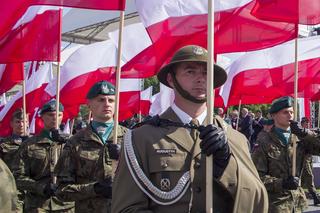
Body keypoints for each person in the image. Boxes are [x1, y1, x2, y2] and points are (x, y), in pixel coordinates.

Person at [112, 45, 268, 213]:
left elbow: (258, 202)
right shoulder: (141, 138)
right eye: (190, 72)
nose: (201, 79)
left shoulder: (235, 138)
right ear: (171, 80)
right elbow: (125, 208)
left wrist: (226, 164)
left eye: (206, 73)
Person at [55, 81, 127, 213]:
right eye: (101, 100)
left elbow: (146, 181)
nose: (107, 104)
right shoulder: (75, 142)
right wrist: (95, 189)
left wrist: (125, 157)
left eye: (111, 100)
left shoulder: (131, 138)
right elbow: (61, 190)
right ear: (89, 104)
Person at [252, 96, 320, 212]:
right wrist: (281, 183)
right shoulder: (264, 141)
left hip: (297, 203)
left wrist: (305, 133)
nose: (290, 115)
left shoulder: (300, 138)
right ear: (273, 116)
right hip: (276, 204)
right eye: (285, 112)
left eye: (292, 112)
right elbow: (256, 176)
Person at [13, 100, 74, 212]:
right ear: (42, 117)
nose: (55, 118)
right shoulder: (29, 145)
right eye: (50, 115)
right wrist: (40, 187)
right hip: (38, 206)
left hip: (66, 206)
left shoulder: (73, 142)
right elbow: (17, 177)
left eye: (59, 115)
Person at [0, 109, 28, 212]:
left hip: (32, 190)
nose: (21, 124)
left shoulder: (35, 142)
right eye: (18, 121)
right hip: (12, 189)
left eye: (24, 121)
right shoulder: (3, 144)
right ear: (11, 123)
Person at [300, 117, 320, 205]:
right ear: (302, 123)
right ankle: (314, 196)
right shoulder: (300, 132)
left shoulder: (310, 132)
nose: (307, 123)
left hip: (309, 156)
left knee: (307, 175)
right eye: (305, 122)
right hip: (303, 157)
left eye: (308, 122)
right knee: (309, 176)